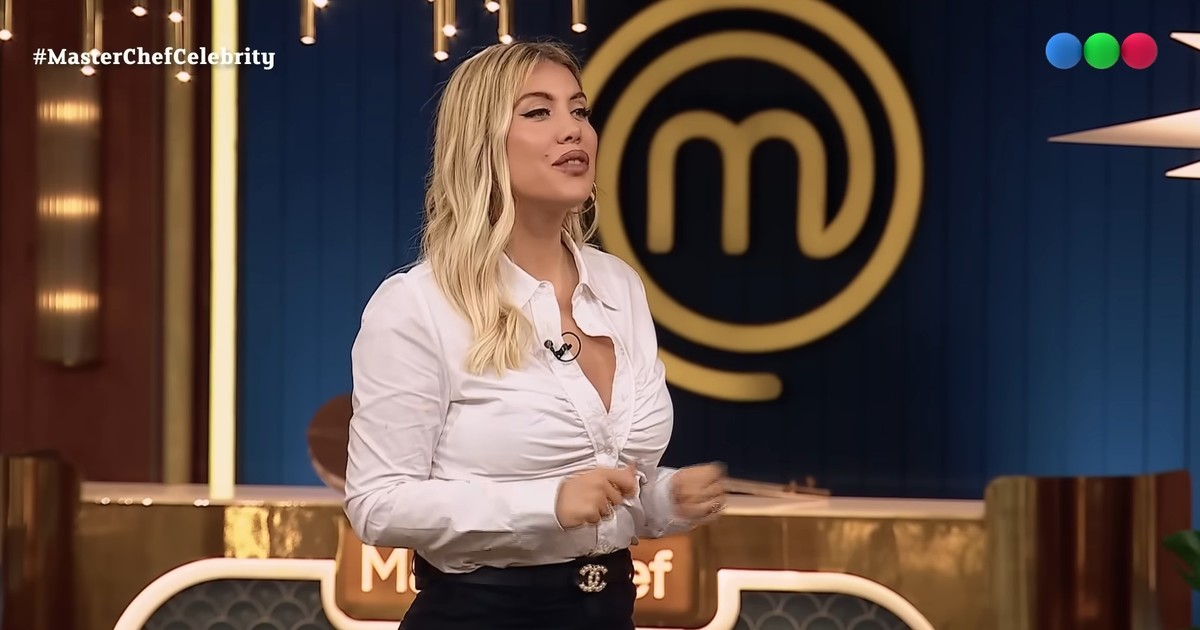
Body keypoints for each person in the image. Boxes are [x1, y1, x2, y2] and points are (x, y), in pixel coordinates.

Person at [343, 39, 727, 630]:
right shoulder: (417, 305)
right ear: (482, 145)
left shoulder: (619, 286)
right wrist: (546, 503)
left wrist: (666, 498)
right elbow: (377, 504)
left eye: (580, 110)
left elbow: (612, 485)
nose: (573, 129)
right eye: (539, 112)